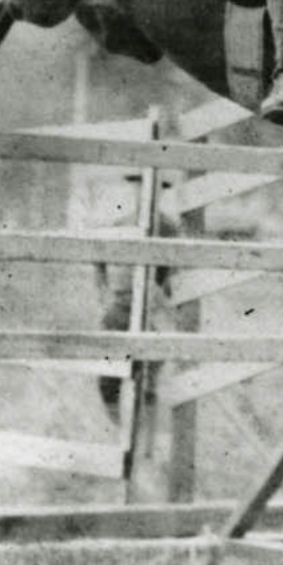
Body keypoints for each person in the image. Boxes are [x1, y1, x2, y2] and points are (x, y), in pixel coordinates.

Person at [95, 175, 179, 422]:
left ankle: (145, 434)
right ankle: (118, 430)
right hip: (121, 306)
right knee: (108, 379)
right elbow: (98, 260)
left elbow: (173, 275)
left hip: (153, 309)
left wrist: (163, 297)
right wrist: (103, 292)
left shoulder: (169, 229)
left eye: (155, 188)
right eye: (140, 186)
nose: (146, 192)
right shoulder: (121, 224)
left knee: (147, 378)